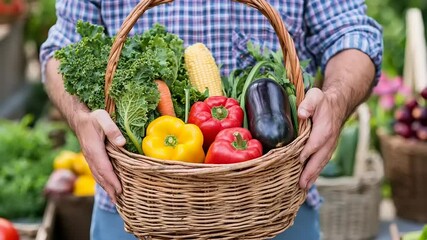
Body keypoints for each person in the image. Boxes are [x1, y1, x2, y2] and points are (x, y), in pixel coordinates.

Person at [40, 1, 383, 239]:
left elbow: (351, 33)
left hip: (274, 206)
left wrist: (336, 101)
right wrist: (80, 115)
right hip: (135, 207)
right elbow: (61, 49)